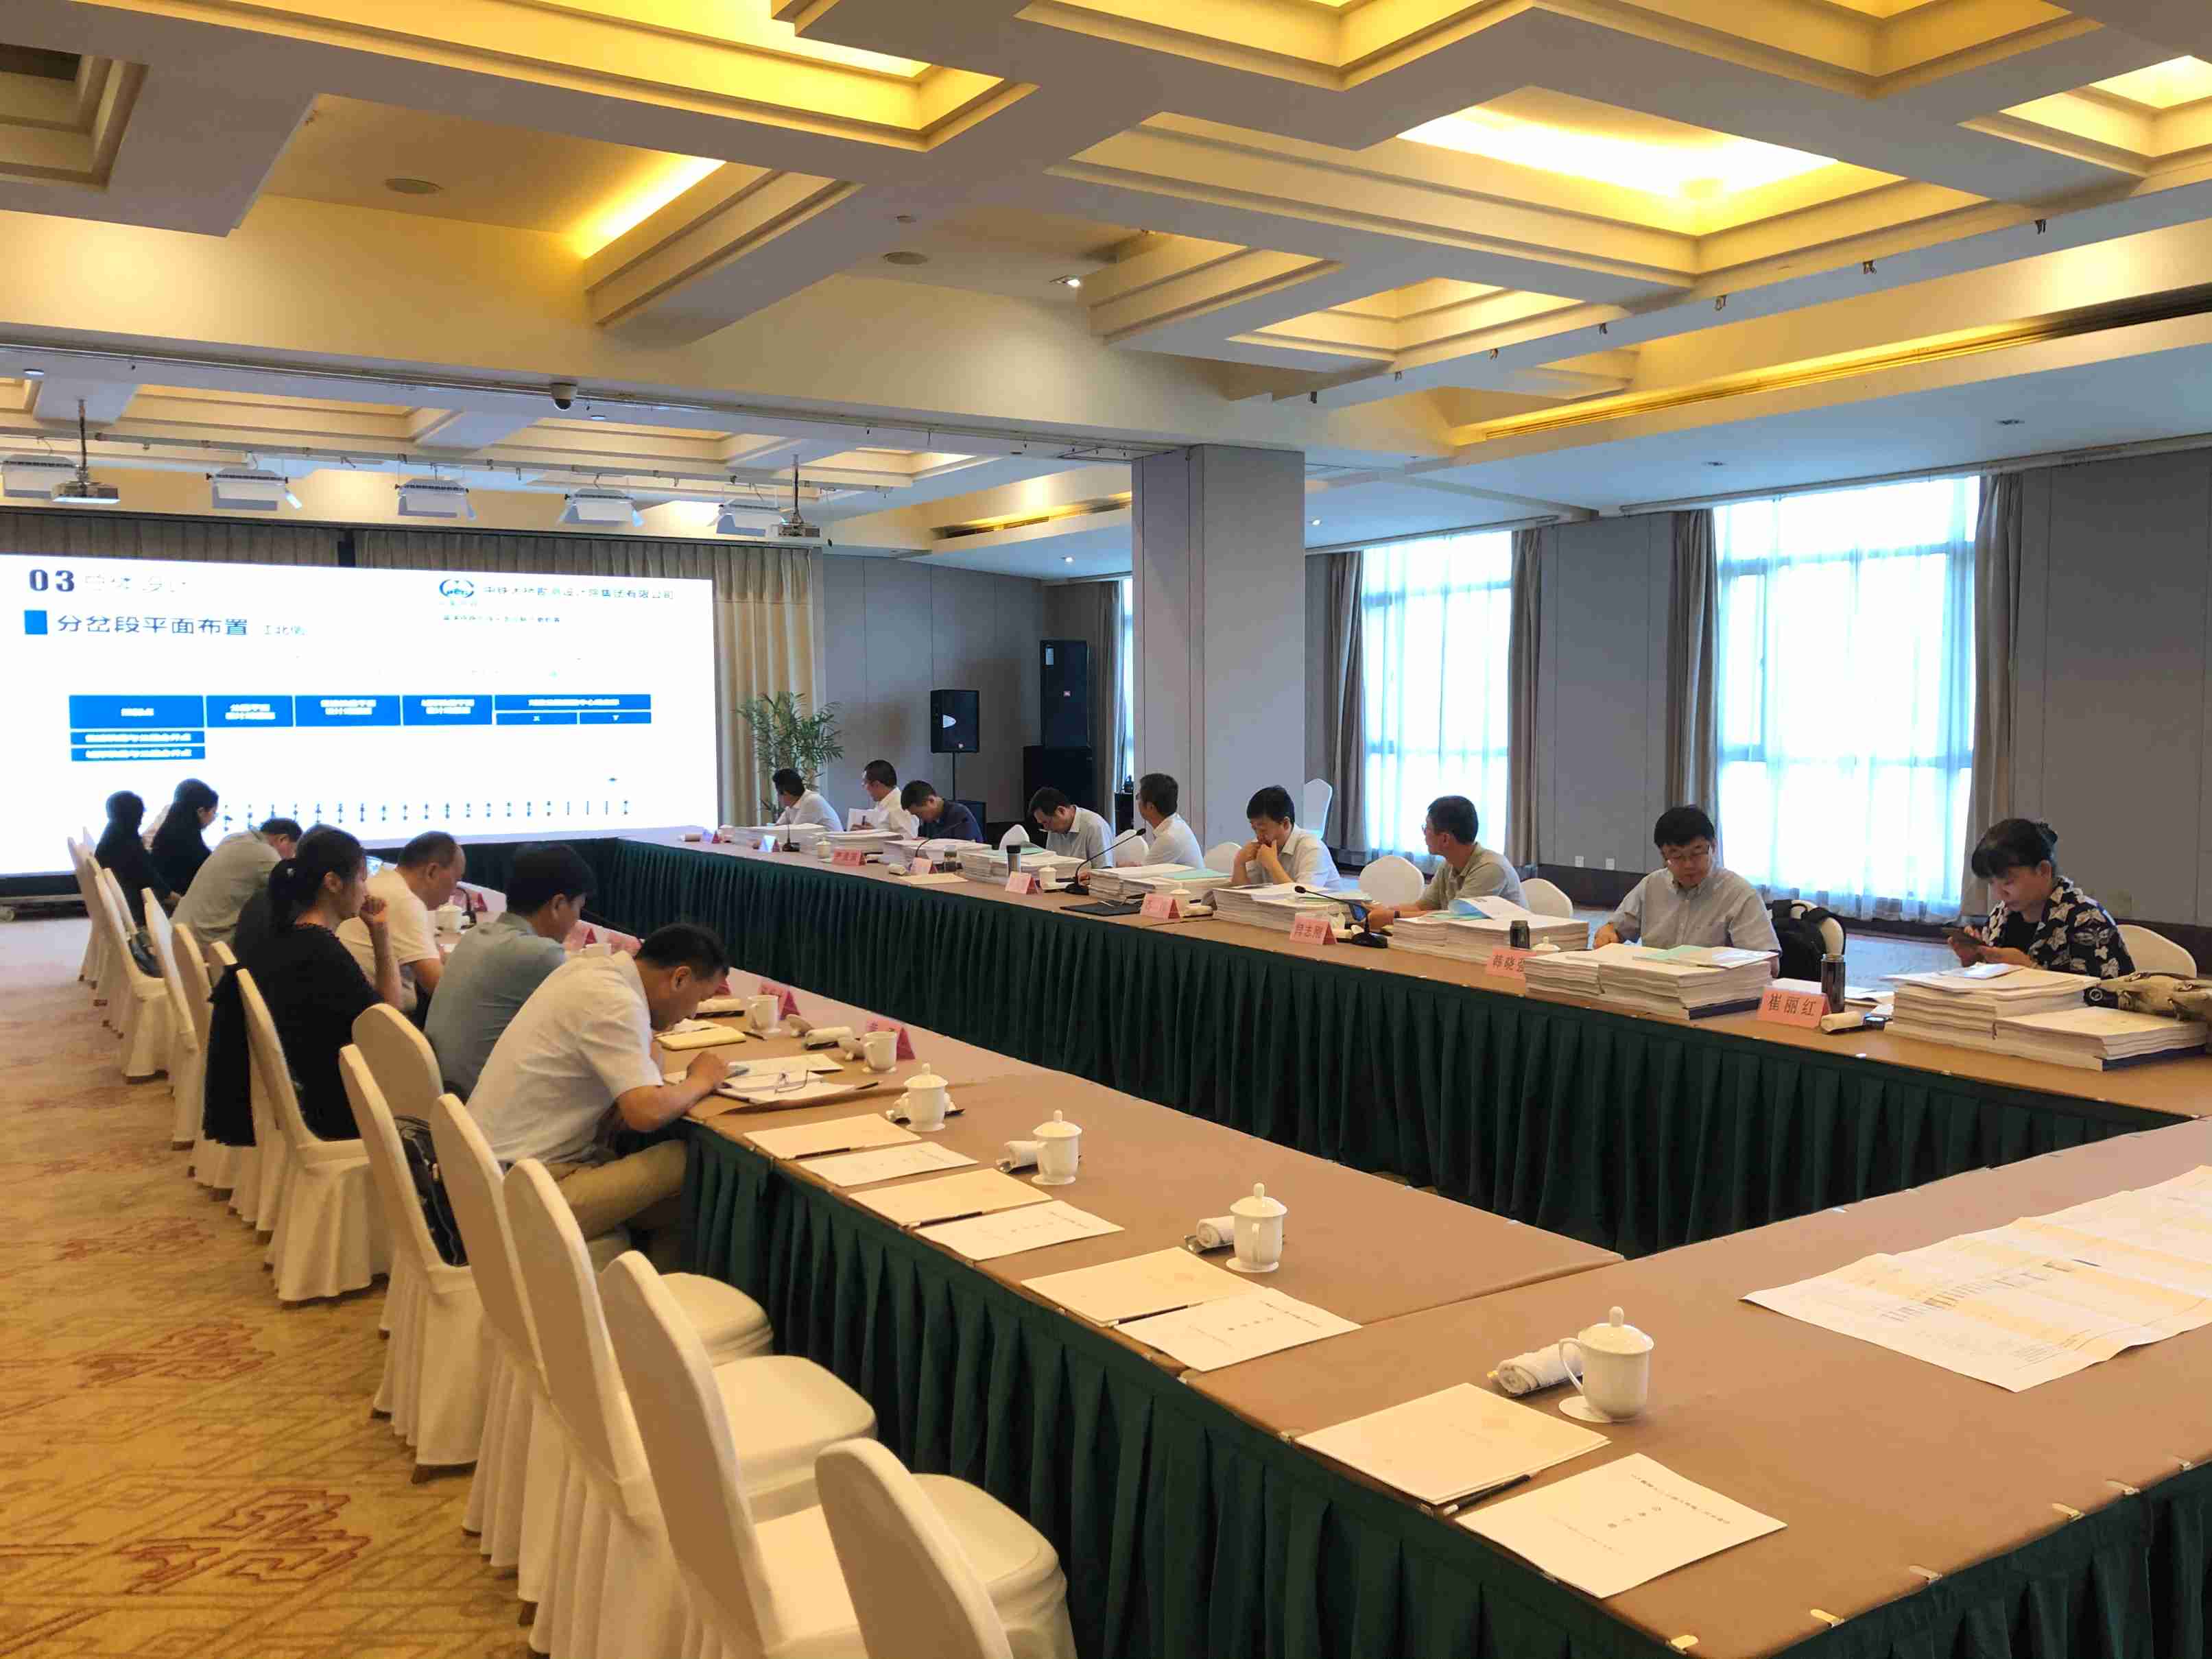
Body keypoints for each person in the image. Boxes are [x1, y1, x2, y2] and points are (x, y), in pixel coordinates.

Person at [465, 922, 733, 1269]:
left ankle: (647, 1287)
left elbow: (648, 1051)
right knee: (683, 1160)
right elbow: (646, 1113)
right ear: (680, 979)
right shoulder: (616, 1002)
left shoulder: (589, 973)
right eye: (699, 999)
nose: (692, 1014)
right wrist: (702, 1080)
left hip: (487, 1169)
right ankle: (654, 1296)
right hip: (522, 1188)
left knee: (664, 1198)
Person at [216, 825, 405, 1143]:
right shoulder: (321, 950)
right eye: (361, 878)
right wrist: (381, 934)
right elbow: (391, 1020)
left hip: (307, 1090)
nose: (367, 890)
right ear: (333, 883)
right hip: (339, 1107)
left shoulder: (285, 932)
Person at [426, 844, 595, 1095]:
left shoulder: (475, 935)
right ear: (558, 904)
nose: (576, 920)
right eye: (578, 907)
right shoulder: (542, 954)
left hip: (442, 1096)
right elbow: (593, 1022)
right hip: (478, 1104)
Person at [1953, 818, 2133, 978]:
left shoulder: (2087, 918)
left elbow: (2113, 995)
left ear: (2043, 871)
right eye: (1991, 883)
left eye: (2008, 882)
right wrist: (1974, 960)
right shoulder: (2000, 915)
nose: (1999, 894)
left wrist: (2029, 969)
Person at [1594, 806, 1780, 954]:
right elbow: (1614, 929)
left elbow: (1768, 964)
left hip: (1713, 987)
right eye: (1677, 856)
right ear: (1664, 856)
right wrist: (1608, 933)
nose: (1688, 865)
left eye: (1697, 853)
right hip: (1657, 983)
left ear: (1713, 847)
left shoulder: (1740, 894)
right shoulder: (1652, 885)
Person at [335, 831, 465, 1015]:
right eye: (456, 880)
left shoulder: (387, 882)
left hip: (361, 1011)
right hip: (377, 1019)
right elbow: (440, 989)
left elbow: (437, 954)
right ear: (432, 871)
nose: (454, 890)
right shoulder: (404, 900)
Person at [1364, 796, 1525, 929]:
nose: (1424, 834)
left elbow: (1454, 918)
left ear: (1445, 839)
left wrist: (1392, 916)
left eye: (1427, 828)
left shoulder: (1491, 868)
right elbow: (1421, 907)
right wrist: (1382, 910)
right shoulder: (1449, 864)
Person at [174, 816, 302, 951]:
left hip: (179, 933)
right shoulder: (265, 853)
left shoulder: (233, 839)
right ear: (283, 840)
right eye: (293, 852)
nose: (292, 858)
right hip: (207, 943)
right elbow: (296, 894)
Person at [1231, 785, 1342, 889]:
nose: (1259, 836)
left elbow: (1302, 897)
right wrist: (1239, 863)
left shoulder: (1312, 848)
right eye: (1254, 829)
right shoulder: (1263, 845)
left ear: (1285, 824)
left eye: (1263, 830)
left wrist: (1272, 864)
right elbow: (1243, 896)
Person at [94, 790, 173, 926]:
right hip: (138, 917)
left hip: (121, 910)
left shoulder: (111, 836)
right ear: (139, 817)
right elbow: (163, 893)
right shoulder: (130, 848)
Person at [148, 778, 220, 895]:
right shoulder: (195, 849)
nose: (214, 818)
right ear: (201, 811)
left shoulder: (164, 835)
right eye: (214, 812)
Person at [1030, 786, 1117, 867]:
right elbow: (1051, 866)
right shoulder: (1054, 829)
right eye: (1042, 824)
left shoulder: (1094, 826)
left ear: (1061, 811)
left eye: (1046, 822)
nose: (1046, 828)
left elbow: (1104, 870)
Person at [1134, 772, 1204, 868]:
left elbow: (1142, 874)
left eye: (1139, 797)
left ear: (1150, 807)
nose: (1137, 802)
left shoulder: (1169, 838)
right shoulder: (1175, 824)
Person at [900, 780, 982, 844]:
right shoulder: (931, 819)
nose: (920, 818)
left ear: (931, 801)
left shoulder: (959, 814)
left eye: (919, 814)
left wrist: (932, 844)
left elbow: (967, 849)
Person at [855, 759, 917, 835]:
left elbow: (909, 838)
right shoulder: (883, 802)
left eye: (865, 783)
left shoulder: (900, 806)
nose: (864, 787)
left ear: (877, 785)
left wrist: (876, 834)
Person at [773, 767, 841, 834]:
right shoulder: (792, 805)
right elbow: (777, 828)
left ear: (786, 793)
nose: (777, 796)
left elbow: (795, 833)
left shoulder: (812, 801)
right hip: (818, 841)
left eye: (778, 793)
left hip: (833, 841)